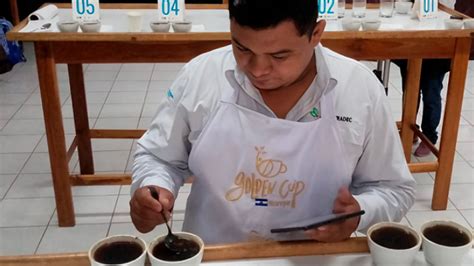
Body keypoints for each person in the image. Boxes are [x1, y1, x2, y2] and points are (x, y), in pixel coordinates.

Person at [130, 0, 416, 244]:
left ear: (316, 33)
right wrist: (153, 188)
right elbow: (159, 157)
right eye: (242, 49)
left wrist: (358, 214)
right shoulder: (201, 76)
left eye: (279, 56)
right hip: (217, 252)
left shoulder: (358, 88)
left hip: (316, 256)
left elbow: (393, 188)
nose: (257, 69)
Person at [393, 0, 474, 157]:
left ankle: (429, 137)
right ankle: (410, 130)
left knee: (431, 93)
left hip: (439, 45)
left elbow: (457, 13)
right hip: (413, 39)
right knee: (410, 90)